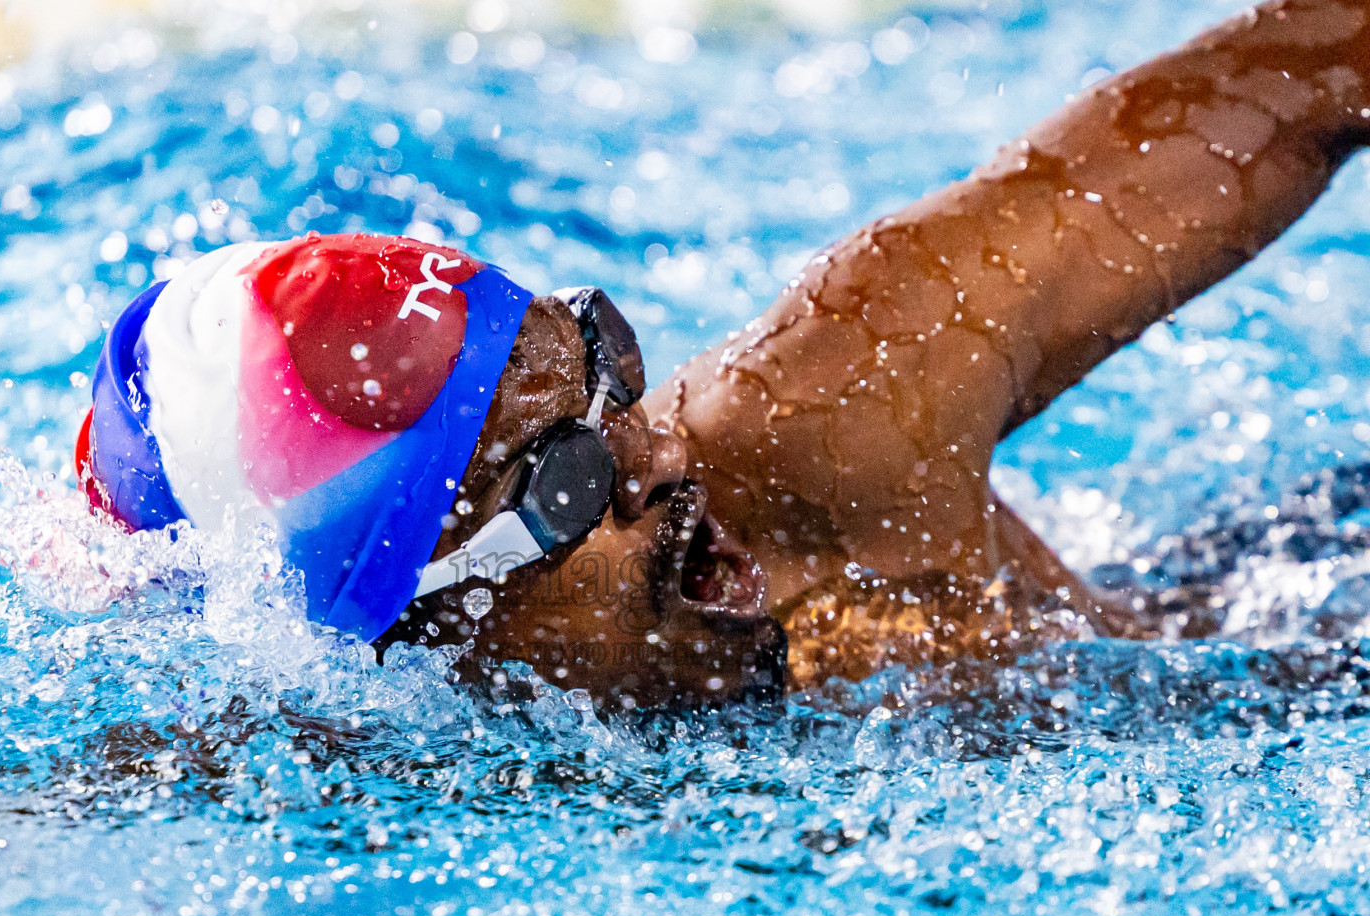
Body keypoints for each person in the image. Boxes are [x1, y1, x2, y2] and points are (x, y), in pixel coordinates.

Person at [78, 0, 1370, 708]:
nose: (659, 460)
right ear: (424, 634)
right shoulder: (371, 763)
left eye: (609, 371)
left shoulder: (846, 389)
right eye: (570, 484)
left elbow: (1299, 80)